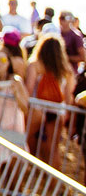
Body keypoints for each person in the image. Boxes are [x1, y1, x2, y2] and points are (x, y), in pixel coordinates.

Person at [24, 34, 75, 169]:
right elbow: (69, 96)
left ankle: (31, 170)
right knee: (52, 149)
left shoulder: (35, 65)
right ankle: (53, 182)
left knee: (29, 142)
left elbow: (28, 90)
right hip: (57, 111)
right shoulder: (66, 69)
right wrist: (67, 116)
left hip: (37, 109)